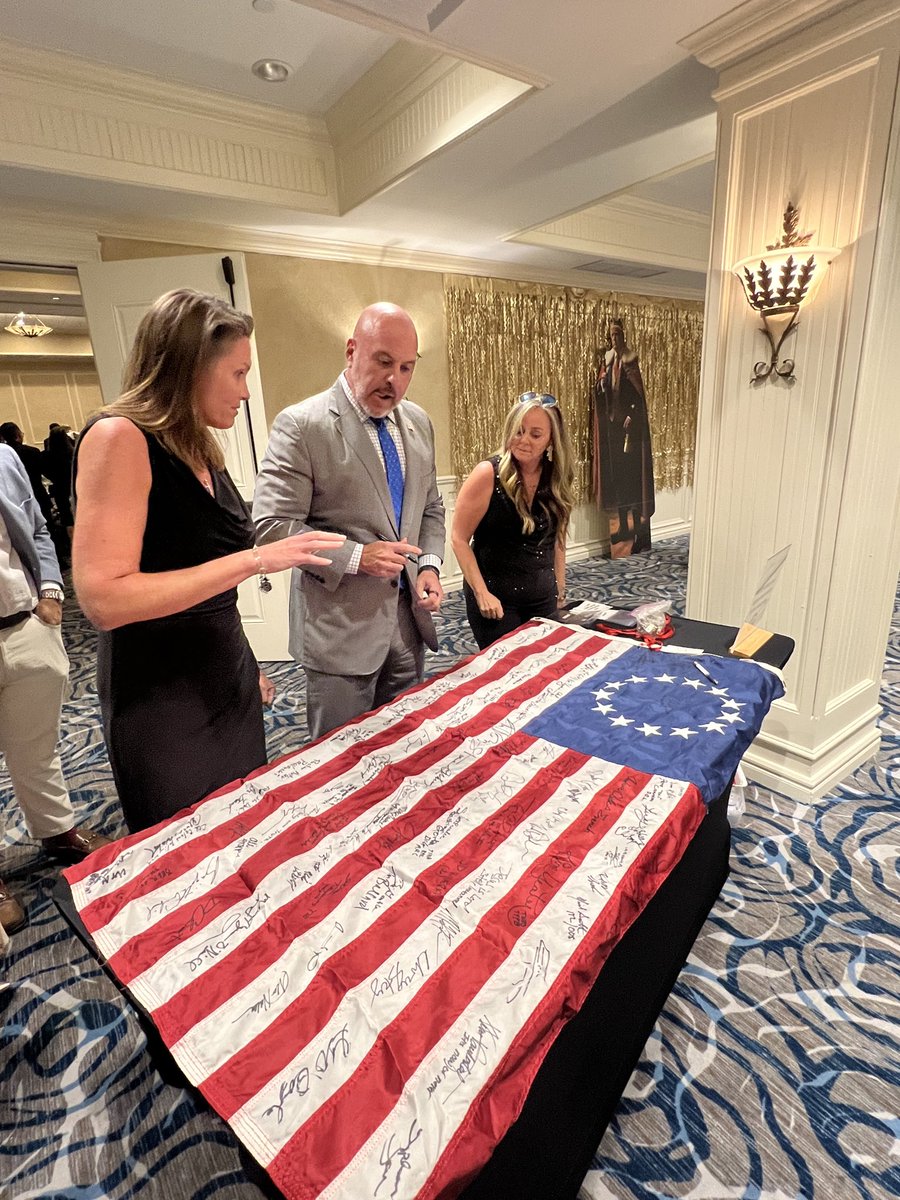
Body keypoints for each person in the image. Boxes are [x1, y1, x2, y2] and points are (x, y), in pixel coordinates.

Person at [71, 289, 345, 833]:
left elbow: (205, 582)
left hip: (225, 677)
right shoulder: (118, 437)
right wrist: (253, 562)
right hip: (162, 697)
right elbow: (104, 599)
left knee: (241, 832)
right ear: (191, 365)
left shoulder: (199, 446)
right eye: (238, 373)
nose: (246, 392)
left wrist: (245, 663)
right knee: (185, 851)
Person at [253, 302, 446, 740]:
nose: (394, 379)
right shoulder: (302, 425)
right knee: (339, 762)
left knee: (405, 746)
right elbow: (273, 524)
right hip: (339, 635)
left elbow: (431, 507)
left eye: (406, 367)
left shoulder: (418, 423)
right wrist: (357, 556)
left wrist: (430, 565)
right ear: (351, 351)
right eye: (382, 362)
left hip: (407, 626)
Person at [0, 444, 111, 937]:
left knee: (37, 746)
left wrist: (50, 592)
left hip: (24, 623)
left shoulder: (3, 456)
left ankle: (56, 831)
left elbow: (38, 527)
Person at [450, 391, 575, 650]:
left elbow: (557, 537)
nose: (523, 440)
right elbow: (459, 538)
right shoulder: (487, 474)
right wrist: (481, 593)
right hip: (496, 602)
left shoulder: (556, 476)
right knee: (504, 676)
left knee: (543, 671)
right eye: (518, 431)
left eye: (535, 434)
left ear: (551, 440)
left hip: (542, 597)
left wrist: (560, 586)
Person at [592, 318, 655, 553]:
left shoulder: (630, 359)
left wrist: (632, 414)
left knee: (633, 478)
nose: (615, 340)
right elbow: (604, 388)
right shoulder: (608, 361)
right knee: (618, 478)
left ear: (623, 337)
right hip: (613, 428)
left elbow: (638, 395)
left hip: (632, 431)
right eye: (612, 336)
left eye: (618, 335)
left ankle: (638, 528)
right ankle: (624, 528)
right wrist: (600, 385)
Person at [0, 421, 55, 527]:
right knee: (48, 528)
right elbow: (47, 472)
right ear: (17, 436)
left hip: (16, 502)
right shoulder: (32, 452)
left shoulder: (4, 457)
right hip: (38, 495)